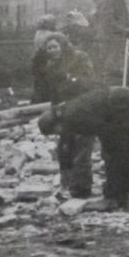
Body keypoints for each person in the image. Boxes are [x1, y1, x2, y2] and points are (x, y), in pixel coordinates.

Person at [38, 86, 129, 212]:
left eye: (54, 132)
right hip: (120, 105)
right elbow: (66, 145)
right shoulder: (66, 114)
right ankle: (118, 195)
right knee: (118, 152)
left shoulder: (73, 116)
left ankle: (116, 198)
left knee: (120, 152)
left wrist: (109, 148)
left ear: (55, 125)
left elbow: (104, 130)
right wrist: (65, 170)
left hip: (125, 105)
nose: (57, 134)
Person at [42, 33, 97, 199]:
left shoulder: (80, 58)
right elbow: (53, 93)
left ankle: (82, 189)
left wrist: (70, 79)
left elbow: (89, 83)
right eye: (49, 48)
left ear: (63, 46)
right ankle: (67, 185)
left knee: (82, 148)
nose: (52, 51)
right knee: (64, 148)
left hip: (84, 109)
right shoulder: (52, 66)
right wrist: (55, 111)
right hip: (64, 112)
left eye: (55, 47)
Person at [96, 0, 129, 86]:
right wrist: (125, 30)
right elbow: (107, 22)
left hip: (118, 39)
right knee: (110, 69)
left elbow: (121, 19)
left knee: (119, 68)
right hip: (109, 40)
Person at [31, 14, 58, 103]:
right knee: (47, 82)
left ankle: (37, 100)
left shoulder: (38, 33)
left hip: (37, 60)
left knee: (39, 82)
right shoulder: (50, 34)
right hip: (46, 60)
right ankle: (47, 100)